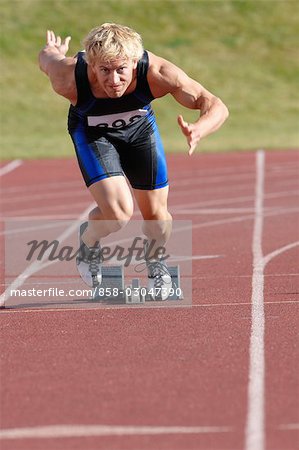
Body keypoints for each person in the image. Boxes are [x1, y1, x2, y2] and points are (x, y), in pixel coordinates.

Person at [38, 23, 229, 300]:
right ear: (91, 65)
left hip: (140, 131)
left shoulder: (157, 73)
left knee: (157, 215)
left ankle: (156, 263)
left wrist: (201, 127)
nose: (114, 80)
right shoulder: (68, 78)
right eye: (104, 70)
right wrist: (52, 50)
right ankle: (88, 244)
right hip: (92, 133)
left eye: (121, 70)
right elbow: (48, 61)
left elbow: (211, 102)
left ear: (134, 62)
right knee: (117, 213)